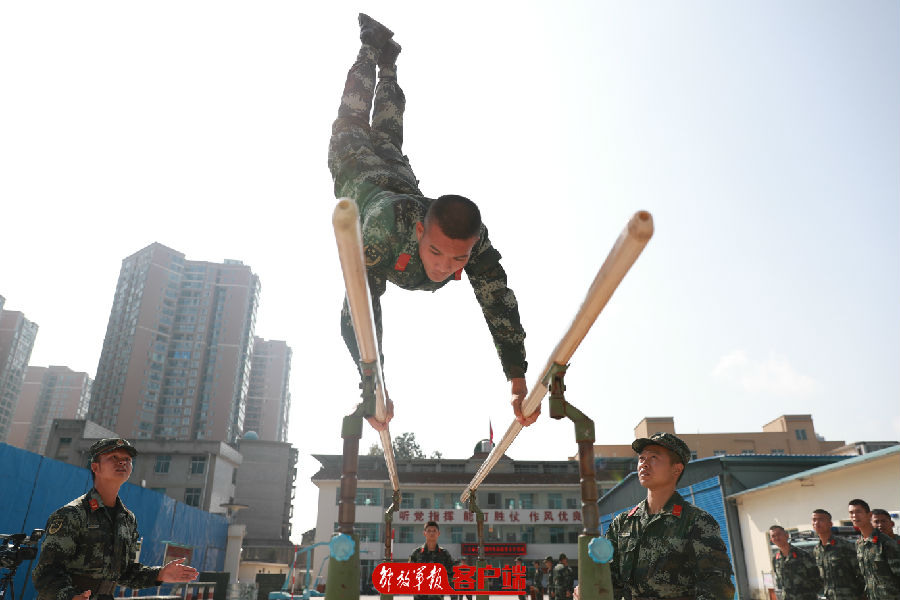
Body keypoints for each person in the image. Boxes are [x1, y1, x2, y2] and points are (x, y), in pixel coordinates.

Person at [328, 14, 535, 431]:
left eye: (457, 259)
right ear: (420, 230)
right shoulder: (383, 234)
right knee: (355, 109)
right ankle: (370, 46)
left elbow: (497, 298)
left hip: (395, 172)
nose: (443, 266)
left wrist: (516, 375)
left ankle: (391, 61)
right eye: (437, 252)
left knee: (389, 122)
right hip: (356, 168)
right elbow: (360, 309)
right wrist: (374, 382)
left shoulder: (475, 245)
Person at [32, 438, 199, 600]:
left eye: (127, 459)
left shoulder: (127, 519)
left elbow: (126, 573)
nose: (122, 462)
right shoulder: (72, 514)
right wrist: (71, 597)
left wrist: (160, 574)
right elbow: (46, 572)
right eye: (113, 457)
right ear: (95, 467)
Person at [605, 432, 734, 600]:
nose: (644, 464)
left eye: (653, 458)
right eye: (641, 458)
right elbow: (608, 579)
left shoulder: (696, 521)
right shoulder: (623, 523)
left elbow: (718, 589)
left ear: (676, 469)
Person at [848, 498, 900, 599]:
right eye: (851, 513)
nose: (854, 516)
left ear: (869, 515)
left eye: (858, 511)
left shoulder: (886, 543)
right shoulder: (859, 544)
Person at [811, 509, 865, 600]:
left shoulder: (845, 546)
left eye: (820, 519)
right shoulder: (817, 550)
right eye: (814, 520)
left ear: (830, 524)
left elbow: (862, 573)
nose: (816, 522)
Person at [769, 524, 822, 600]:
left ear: (786, 536)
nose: (777, 538)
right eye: (773, 536)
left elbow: (817, 578)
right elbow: (780, 582)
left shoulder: (802, 555)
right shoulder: (775, 559)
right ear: (771, 540)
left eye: (779, 534)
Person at [409, 521, 455, 600]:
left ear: (438, 533)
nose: (431, 533)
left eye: (434, 531)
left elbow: (452, 574)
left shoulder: (444, 554)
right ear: (424, 533)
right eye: (429, 531)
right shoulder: (416, 553)